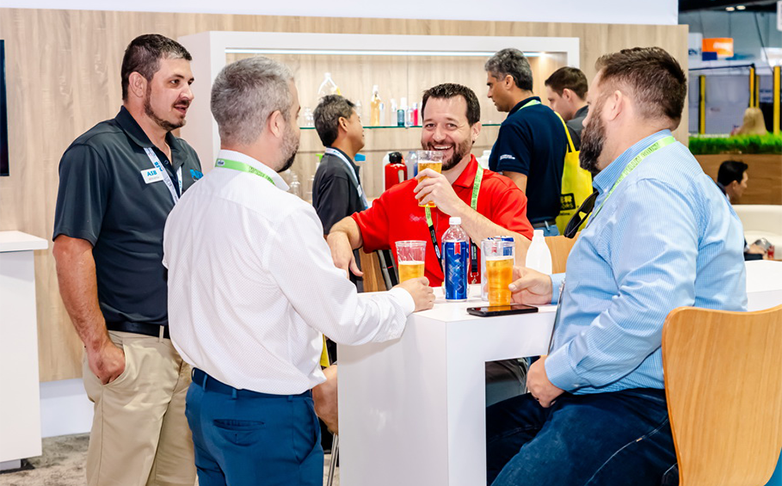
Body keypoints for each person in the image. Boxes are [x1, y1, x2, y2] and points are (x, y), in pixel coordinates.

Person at [162, 56, 434, 486]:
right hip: (265, 416)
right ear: (274, 122)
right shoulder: (281, 214)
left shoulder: (188, 203)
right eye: (293, 114)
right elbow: (342, 319)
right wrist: (404, 297)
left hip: (203, 404)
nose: (295, 124)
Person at [486, 47, 748, 486]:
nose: (585, 119)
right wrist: (555, 286)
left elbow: (652, 308)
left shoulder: (651, 186)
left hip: (643, 404)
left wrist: (558, 370)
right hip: (638, 392)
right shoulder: (667, 173)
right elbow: (630, 275)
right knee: (474, 440)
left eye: (593, 106)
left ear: (614, 105)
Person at [326, 82, 534, 408]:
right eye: (429, 125)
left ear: (476, 130)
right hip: (413, 344)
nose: (437, 136)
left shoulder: (500, 191)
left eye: (451, 125)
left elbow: (518, 249)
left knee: (462, 401)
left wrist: (456, 207)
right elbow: (350, 226)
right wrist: (338, 237)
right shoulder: (401, 195)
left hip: (487, 349)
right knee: (328, 390)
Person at [52, 34, 201, 486]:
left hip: (185, 353)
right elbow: (71, 249)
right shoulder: (96, 152)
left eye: (189, 81)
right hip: (132, 350)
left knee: (177, 479)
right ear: (138, 84)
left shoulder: (187, 156)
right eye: (174, 81)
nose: (188, 93)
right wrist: (100, 348)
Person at [485, 48, 568, 236]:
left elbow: (515, 193)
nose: (489, 94)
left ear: (508, 81)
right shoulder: (553, 118)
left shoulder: (515, 125)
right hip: (552, 230)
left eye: (491, 84)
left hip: (525, 231)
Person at [312, 94, 368, 293]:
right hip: (344, 282)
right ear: (343, 123)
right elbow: (330, 234)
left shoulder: (339, 166)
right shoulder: (336, 172)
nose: (363, 129)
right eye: (359, 120)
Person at [717, 160, 767, 260]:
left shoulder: (717, 195)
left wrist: (746, 247)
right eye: (745, 182)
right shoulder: (720, 203)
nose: (745, 186)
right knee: (761, 255)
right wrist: (747, 248)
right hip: (719, 256)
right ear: (735, 184)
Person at [544, 66, 589, 149]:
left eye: (552, 100)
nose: (551, 108)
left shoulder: (570, 130)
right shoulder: (600, 120)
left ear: (567, 95)